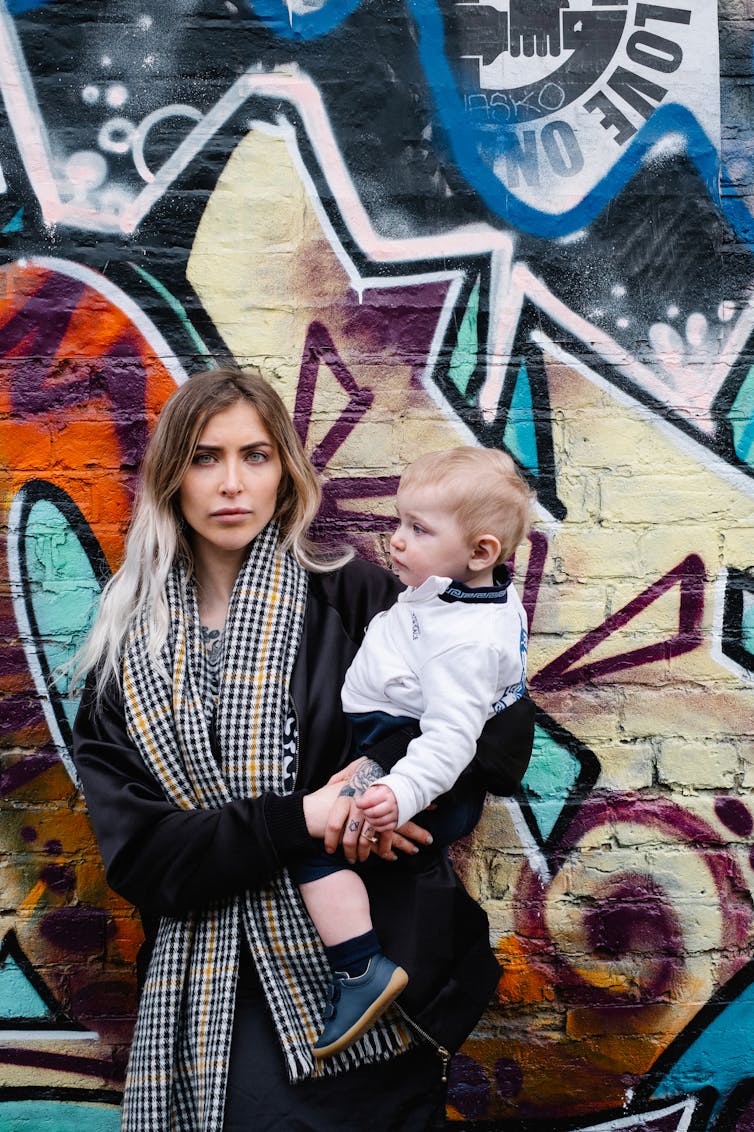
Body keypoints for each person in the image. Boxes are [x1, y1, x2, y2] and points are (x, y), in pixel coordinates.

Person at [72, 366, 535, 1132]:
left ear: (285, 472)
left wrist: (404, 805)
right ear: (170, 478)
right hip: (216, 1001)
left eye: (255, 456)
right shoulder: (123, 655)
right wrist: (307, 817)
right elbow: (144, 860)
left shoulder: (355, 596)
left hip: (373, 990)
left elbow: (497, 726)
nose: (231, 483)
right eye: (204, 457)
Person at [295, 447, 532, 1059]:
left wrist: (396, 796)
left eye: (419, 529)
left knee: (313, 853)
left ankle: (360, 969)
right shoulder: (458, 595)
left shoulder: (465, 643)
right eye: (400, 521)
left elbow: (452, 737)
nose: (397, 540)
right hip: (400, 748)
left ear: (481, 552)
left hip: (415, 765)